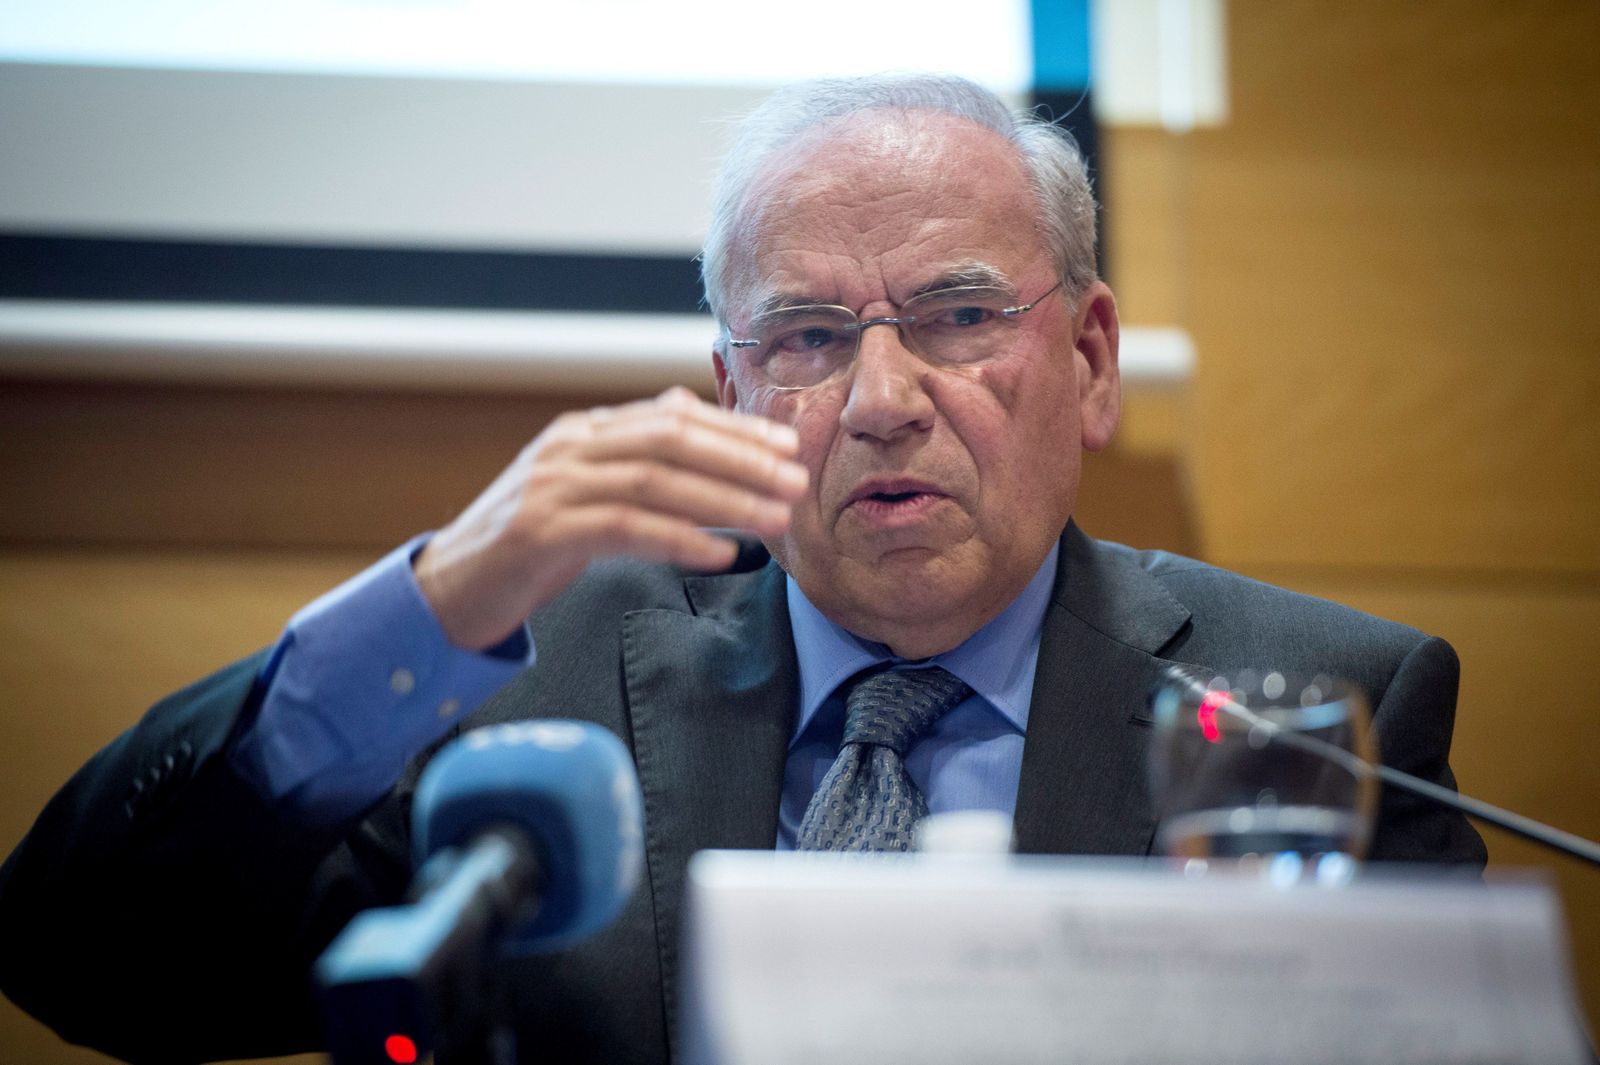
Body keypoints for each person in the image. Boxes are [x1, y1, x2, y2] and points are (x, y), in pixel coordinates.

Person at [0, 74, 1484, 1064]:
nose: (886, 397)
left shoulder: (1320, 713)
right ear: (733, 393)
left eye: (962, 315)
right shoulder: (537, 675)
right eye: (809, 339)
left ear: (1089, 359)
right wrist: (442, 598)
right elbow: (84, 960)